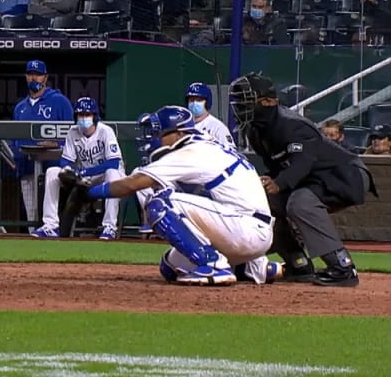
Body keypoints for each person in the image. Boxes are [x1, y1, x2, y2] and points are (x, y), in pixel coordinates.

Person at [84, 105, 278, 286]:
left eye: (160, 132)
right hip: (245, 230)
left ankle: (214, 265)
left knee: (160, 203)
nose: (155, 137)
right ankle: (254, 267)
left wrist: (89, 192)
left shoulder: (191, 151)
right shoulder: (204, 143)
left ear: (179, 133)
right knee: (170, 268)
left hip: (246, 230)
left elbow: (132, 184)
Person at [230, 72, 376, 287]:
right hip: (313, 179)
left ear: (269, 101)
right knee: (264, 204)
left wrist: (278, 183)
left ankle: (342, 267)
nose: (242, 108)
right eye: (240, 103)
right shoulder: (255, 131)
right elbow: (278, 166)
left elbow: (302, 162)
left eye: (248, 102)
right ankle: (298, 264)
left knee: (301, 203)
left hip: (344, 174)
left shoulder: (292, 124)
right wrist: (269, 180)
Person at [33, 97, 122, 240]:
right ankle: (50, 225)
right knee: (52, 172)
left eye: (87, 114)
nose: (84, 118)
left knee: (112, 174)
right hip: (84, 179)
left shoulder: (106, 131)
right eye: (81, 115)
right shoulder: (73, 132)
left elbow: (113, 163)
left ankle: (109, 227)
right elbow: (65, 161)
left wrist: (84, 172)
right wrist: (72, 172)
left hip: (105, 177)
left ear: (95, 116)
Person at [12, 60, 74, 233]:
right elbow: (13, 138)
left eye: (38, 74)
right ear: (26, 76)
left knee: (54, 215)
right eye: (30, 73)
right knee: (32, 217)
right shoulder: (20, 107)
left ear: (45, 77)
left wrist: (57, 143)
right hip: (27, 168)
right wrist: (16, 158)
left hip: (54, 170)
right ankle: (36, 251)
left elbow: (73, 136)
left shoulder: (60, 102)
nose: (34, 77)